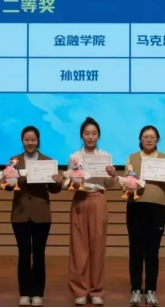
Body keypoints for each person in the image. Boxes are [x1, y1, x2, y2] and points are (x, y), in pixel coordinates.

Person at [5, 126, 63, 307]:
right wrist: (13, 180)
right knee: (23, 253)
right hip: (20, 213)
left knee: (39, 254)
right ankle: (24, 293)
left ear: (38, 141)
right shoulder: (14, 161)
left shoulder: (48, 161)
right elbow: (8, 186)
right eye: (26, 140)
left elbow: (53, 190)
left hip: (41, 214)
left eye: (33, 140)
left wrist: (57, 182)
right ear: (22, 141)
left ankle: (37, 293)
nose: (30, 143)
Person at [63, 117, 117, 306]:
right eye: (87, 133)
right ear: (81, 136)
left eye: (94, 133)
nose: (90, 137)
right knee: (79, 247)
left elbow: (109, 184)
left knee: (98, 247)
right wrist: (70, 181)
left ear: (98, 136)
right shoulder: (74, 157)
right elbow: (68, 183)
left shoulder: (106, 157)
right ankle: (79, 290)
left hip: (98, 199)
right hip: (80, 199)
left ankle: (96, 291)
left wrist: (113, 175)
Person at [125, 125, 165, 307]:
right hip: (135, 207)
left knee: (152, 251)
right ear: (140, 139)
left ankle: (150, 290)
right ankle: (135, 290)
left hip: (157, 209)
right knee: (135, 250)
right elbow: (125, 182)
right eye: (145, 137)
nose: (148, 140)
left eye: (152, 137)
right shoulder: (132, 158)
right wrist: (129, 183)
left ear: (157, 140)